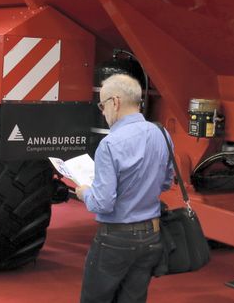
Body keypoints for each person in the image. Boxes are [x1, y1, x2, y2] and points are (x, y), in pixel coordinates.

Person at [76, 74, 173, 303]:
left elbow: (103, 203)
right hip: (152, 236)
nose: (102, 111)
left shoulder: (110, 144)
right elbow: (166, 182)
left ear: (115, 102)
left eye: (102, 104)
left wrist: (84, 192)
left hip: (115, 239)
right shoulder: (162, 134)